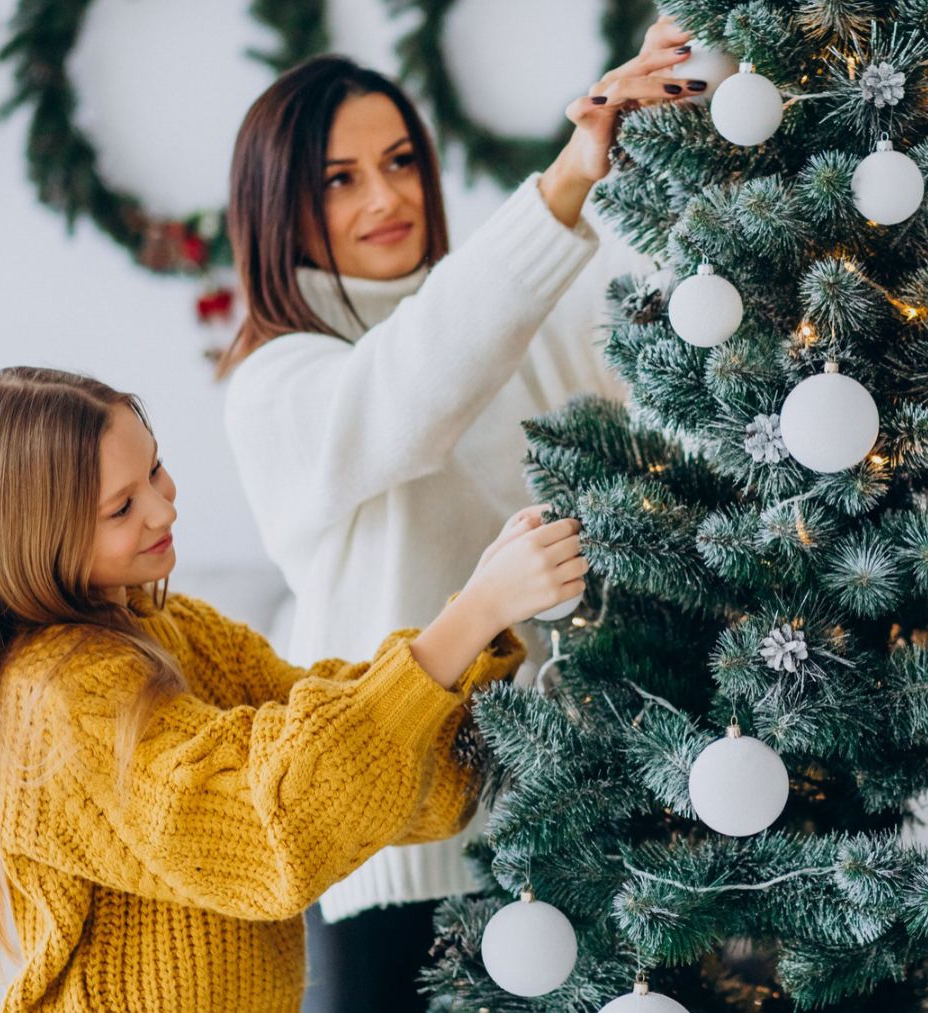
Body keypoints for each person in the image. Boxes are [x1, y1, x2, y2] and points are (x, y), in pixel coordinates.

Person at [214, 16, 699, 1010]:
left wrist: (676, 127)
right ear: (277, 205)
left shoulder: (501, 306)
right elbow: (411, 395)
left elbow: (654, 303)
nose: (387, 196)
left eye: (398, 160)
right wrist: (564, 181)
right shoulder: (277, 380)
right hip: (397, 851)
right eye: (338, 178)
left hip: (567, 816)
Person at [0, 366, 585, 1012]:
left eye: (156, 471)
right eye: (122, 506)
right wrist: (470, 614)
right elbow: (269, 831)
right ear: (39, 537)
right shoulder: (57, 699)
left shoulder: (180, 626)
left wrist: (479, 623)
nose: (164, 507)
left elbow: (350, 755)